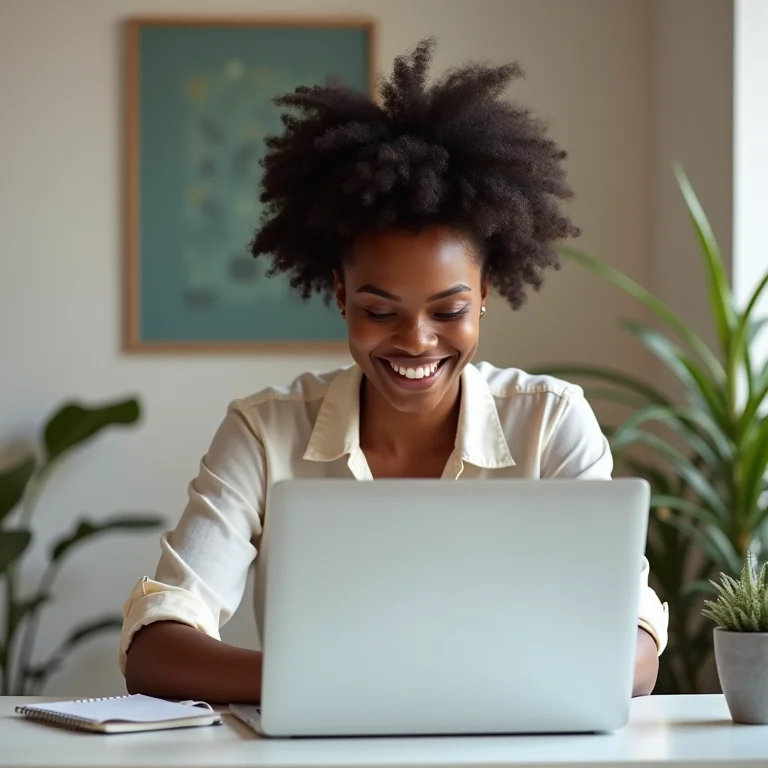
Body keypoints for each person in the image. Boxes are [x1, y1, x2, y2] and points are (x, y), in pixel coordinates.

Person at [121, 38, 668, 703]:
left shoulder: (549, 423)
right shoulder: (265, 435)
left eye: (449, 310)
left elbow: (634, 643)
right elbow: (155, 644)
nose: (417, 341)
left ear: (487, 294)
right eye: (381, 312)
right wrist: (346, 687)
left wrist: (421, 688)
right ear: (341, 295)